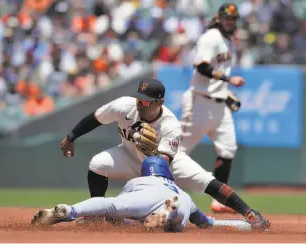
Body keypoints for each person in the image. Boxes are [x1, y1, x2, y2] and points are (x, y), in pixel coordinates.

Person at [59, 78, 269, 230]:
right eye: (139, 99)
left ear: (160, 102)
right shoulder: (124, 106)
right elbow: (95, 118)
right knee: (98, 163)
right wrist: (71, 137)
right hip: (129, 156)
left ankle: (251, 214)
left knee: (206, 180)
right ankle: (97, 214)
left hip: (166, 167)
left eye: (146, 101)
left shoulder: (169, 125)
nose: (140, 103)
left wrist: (151, 153)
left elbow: (163, 162)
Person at [31, 155, 253, 232]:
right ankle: (170, 214)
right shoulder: (180, 190)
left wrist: (101, 218)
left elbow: (114, 207)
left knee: (111, 206)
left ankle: (69, 210)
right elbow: (207, 224)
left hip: (143, 197)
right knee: (180, 224)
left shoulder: (137, 180)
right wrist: (247, 225)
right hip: (180, 202)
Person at [179, 3, 245, 213]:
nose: (229, 21)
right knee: (177, 151)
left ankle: (219, 200)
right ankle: (157, 194)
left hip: (219, 105)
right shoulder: (211, 37)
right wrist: (228, 79)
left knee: (228, 149)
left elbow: (215, 71)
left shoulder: (228, 41)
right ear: (218, 18)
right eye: (226, 18)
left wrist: (224, 92)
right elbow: (202, 66)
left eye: (233, 19)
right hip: (199, 102)